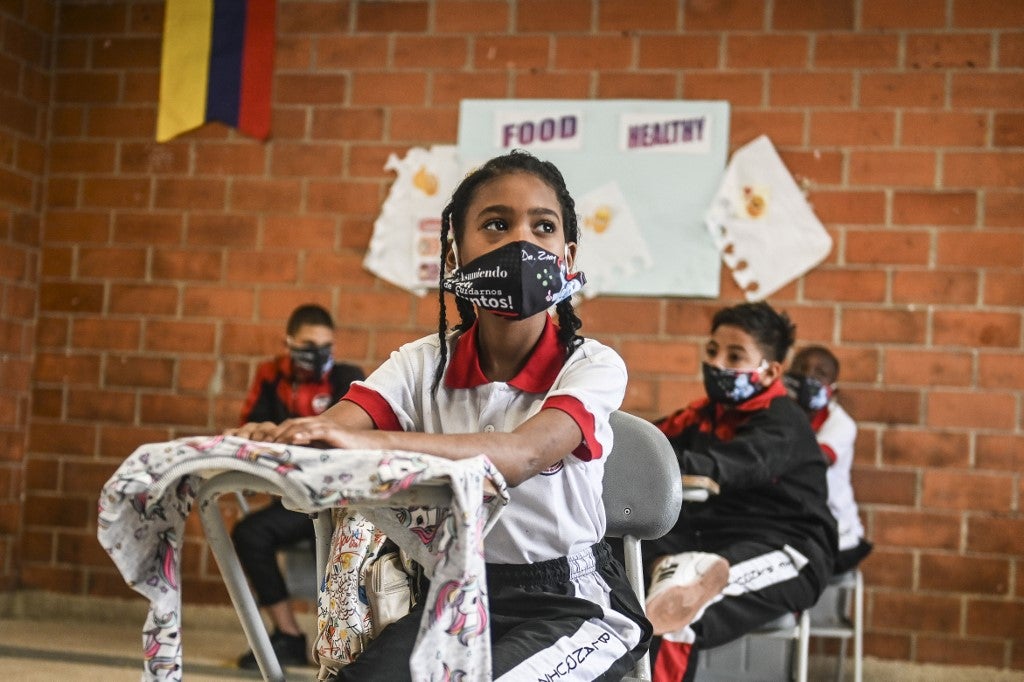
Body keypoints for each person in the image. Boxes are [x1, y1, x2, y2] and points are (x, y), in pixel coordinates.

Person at [228, 150, 651, 681]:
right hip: (454, 598)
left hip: (573, 604)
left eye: (542, 227)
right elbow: (336, 428)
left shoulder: (591, 364)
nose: (521, 243)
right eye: (496, 224)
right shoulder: (421, 363)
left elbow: (521, 454)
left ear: (567, 256)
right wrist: (281, 441)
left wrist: (371, 445)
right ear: (454, 254)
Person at [642, 301, 837, 682]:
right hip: (706, 539)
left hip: (786, 548)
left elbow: (721, 468)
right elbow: (647, 446)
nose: (717, 363)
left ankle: (680, 579)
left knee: (678, 614)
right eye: (713, 350)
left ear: (771, 372)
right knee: (603, 561)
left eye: (735, 355)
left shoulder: (784, 423)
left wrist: (655, 471)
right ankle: (667, 569)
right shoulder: (700, 414)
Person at [232, 303, 365, 670]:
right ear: (288, 343)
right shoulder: (271, 377)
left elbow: (351, 434)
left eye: (325, 345)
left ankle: (347, 644)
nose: (317, 354)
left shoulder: (346, 377)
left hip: (340, 499)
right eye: (308, 344)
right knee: (249, 534)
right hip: (292, 495)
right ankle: (288, 635)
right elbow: (252, 432)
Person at [785, 345, 873, 575]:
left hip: (837, 535)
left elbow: (814, 462)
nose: (808, 377)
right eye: (801, 369)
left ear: (832, 391)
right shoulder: (780, 412)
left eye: (820, 373)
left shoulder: (841, 424)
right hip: (794, 525)